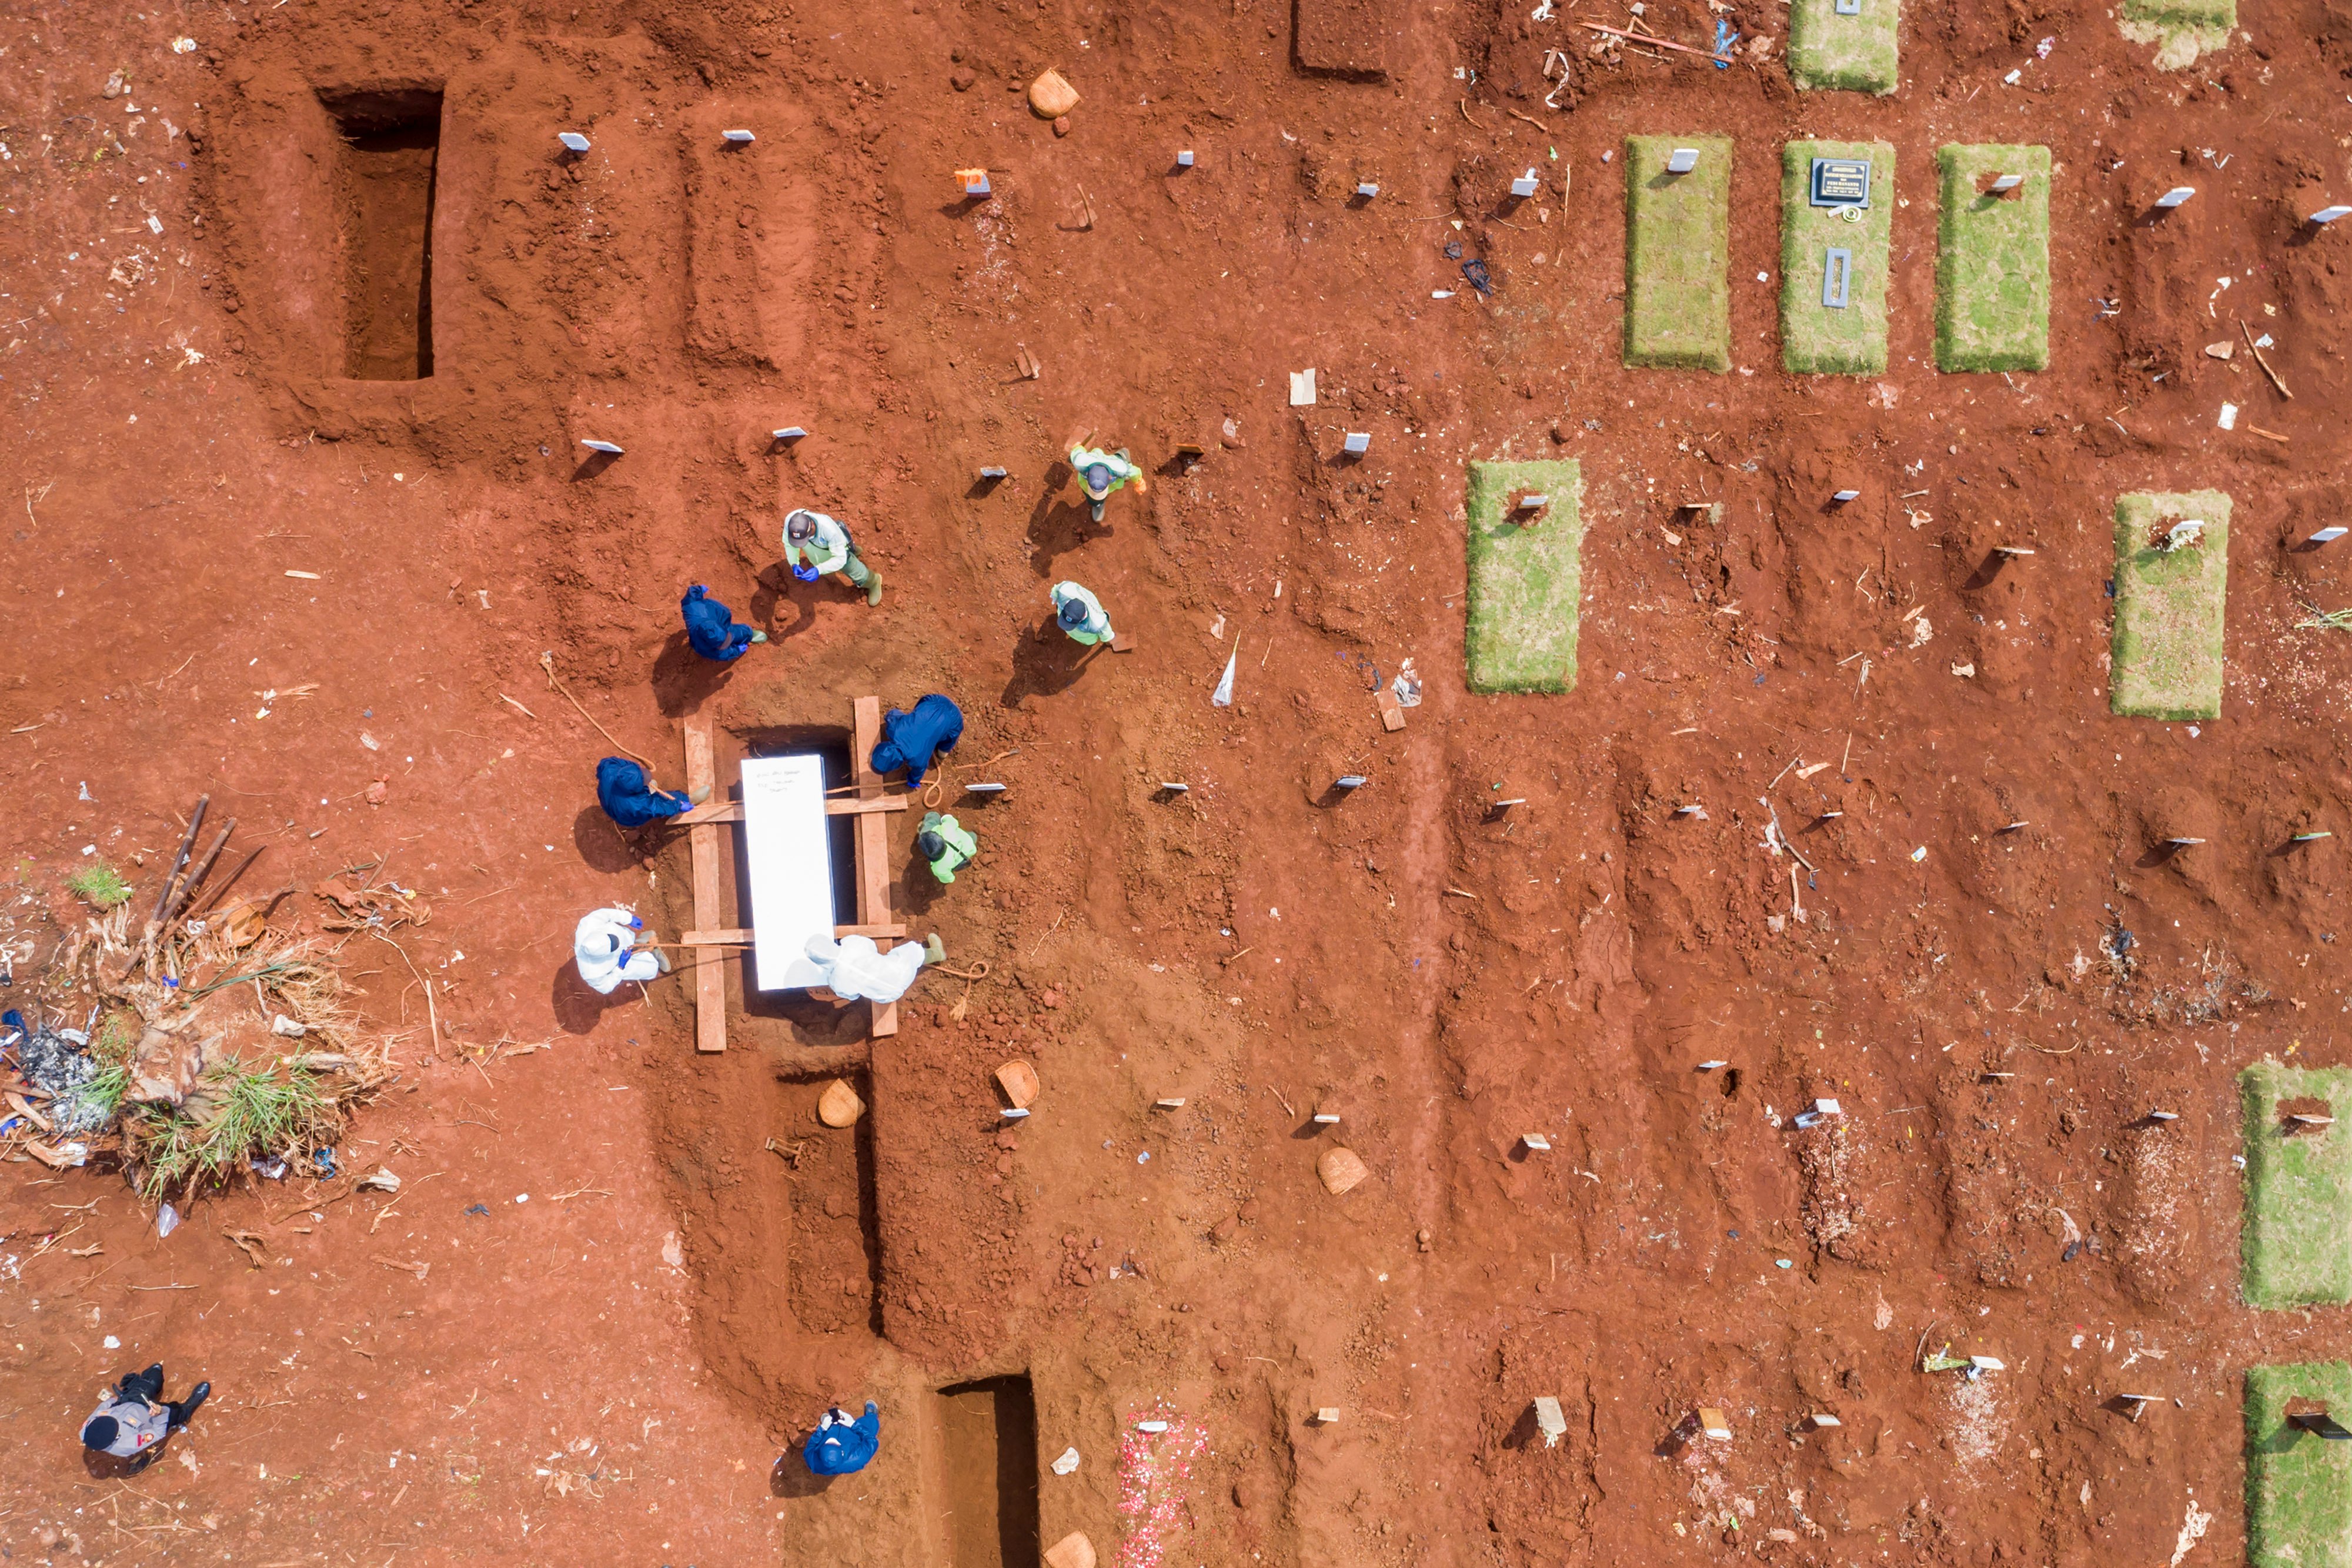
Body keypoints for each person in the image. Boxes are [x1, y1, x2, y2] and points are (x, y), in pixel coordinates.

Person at [81, 1364, 208, 1470]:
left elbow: (100, 1410)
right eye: (115, 1427)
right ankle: (190, 1407)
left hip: (129, 1402)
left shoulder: (86, 1430)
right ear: (117, 1438)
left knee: (154, 1375)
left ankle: (152, 1382)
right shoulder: (125, 1446)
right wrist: (160, 1414)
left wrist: (114, 1400)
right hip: (152, 1417)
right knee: (177, 1413)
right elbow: (158, 1433)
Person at [803, 931, 944, 1006]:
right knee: (910, 952)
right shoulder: (851, 943)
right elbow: (871, 946)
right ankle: (937, 953)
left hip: (887, 997)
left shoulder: (835, 982)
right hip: (900, 973)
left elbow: (853, 996)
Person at [783, 508, 883, 606]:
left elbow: (841, 559)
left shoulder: (828, 530)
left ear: (812, 527)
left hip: (839, 553)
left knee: (854, 570)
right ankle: (855, 551)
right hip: (822, 551)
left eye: (803, 540)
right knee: (828, 557)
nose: (800, 545)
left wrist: (819, 570)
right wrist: (794, 563)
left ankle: (873, 582)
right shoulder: (792, 522)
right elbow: (789, 544)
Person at [869, 694, 963, 787]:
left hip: (954, 720)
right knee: (916, 715)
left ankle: (942, 754)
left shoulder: (917, 759)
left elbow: (919, 771)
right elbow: (892, 714)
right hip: (933, 700)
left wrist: (913, 781)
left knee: (944, 749)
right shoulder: (893, 729)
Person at [574, 906, 671, 995]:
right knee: (651, 969)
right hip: (618, 964)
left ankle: (640, 943)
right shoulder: (591, 973)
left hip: (625, 938)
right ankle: (653, 957)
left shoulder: (587, 925)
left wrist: (628, 919)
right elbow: (605, 987)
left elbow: (606, 914)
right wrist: (620, 968)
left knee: (628, 938)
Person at [596, 757, 707, 830]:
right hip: (626, 816)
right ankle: (689, 799)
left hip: (608, 801)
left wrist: (634, 770)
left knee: (646, 796)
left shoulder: (610, 770)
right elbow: (658, 807)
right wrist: (679, 805)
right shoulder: (638, 805)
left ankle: (645, 790)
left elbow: (607, 763)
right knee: (661, 800)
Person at [679, 584, 766, 661]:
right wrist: (737, 651)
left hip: (719, 619)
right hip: (718, 622)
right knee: (737, 633)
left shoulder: (693, 607)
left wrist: (699, 589)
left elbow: (691, 596)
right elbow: (724, 654)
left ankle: (745, 634)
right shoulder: (706, 648)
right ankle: (749, 635)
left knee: (729, 631)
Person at [1068, 441, 1142, 523]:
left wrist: (1139, 482)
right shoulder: (1081, 462)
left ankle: (1122, 456)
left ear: (1110, 478)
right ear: (1087, 474)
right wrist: (1077, 447)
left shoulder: (1120, 469)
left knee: (1125, 471)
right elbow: (1077, 451)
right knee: (1093, 498)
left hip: (1113, 462)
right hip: (1094, 457)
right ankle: (1097, 504)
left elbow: (1135, 472)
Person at [801, 1401, 880, 1475]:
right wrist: (854, 1425)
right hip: (853, 1438)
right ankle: (872, 1416)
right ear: (842, 1453)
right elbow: (872, 1441)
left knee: (830, 1429)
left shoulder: (813, 1462)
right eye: (834, 1443)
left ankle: (830, 1423)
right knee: (869, 1426)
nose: (834, 1439)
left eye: (829, 1442)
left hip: (830, 1432)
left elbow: (810, 1447)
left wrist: (822, 1429)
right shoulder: (856, 1459)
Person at [916, 811, 977, 884]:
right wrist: (944, 820)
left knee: (929, 824)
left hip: (952, 862)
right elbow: (949, 819)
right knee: (973, 837)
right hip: (969, 847)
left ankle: (930, 819)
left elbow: (950, 879)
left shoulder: (939, 868)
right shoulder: (947, 829)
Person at [1050, 581, 1113, 647]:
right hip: (1084, 637)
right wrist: (1108, 641)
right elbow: (1107, 636)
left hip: (1093, 619)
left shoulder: (1098, 624)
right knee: (1090, 641)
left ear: (1083, 617)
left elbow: (1055, 591)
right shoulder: (1064, 590)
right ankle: (1084, 642)